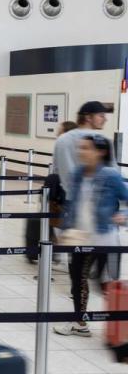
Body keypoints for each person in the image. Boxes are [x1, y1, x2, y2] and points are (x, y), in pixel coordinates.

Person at [54, 135, 128, 337]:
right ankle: (80, 322)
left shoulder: (110, 175)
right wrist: (64, 229)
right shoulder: (78, 173)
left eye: (86, 148)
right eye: (80, 148)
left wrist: (124, 215)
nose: (81, 152)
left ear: (100, 152)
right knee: (78, 280)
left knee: (105, 284)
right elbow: (72, 203)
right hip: (81, 237)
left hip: (104, 238)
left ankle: (118, 327)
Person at [52, 100, 111, 199]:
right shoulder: (102, 140)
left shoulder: (61, 139)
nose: (105, 119)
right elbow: (111, 170)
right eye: (101, 116)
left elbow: (56, 168)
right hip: (95, 199)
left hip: (68, 197)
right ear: (88, 117)